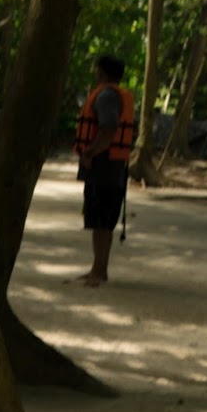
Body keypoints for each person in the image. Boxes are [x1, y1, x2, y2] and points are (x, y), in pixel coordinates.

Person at [72, 55, 135, 286]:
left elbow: (108, 130)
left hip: (104, 165)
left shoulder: (107, 96)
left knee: (101, 219)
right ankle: (98, 269)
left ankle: (99, 271)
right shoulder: (116, 95)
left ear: (102, 72)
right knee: (102, 220)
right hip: (113, 166)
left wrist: (89, 152)